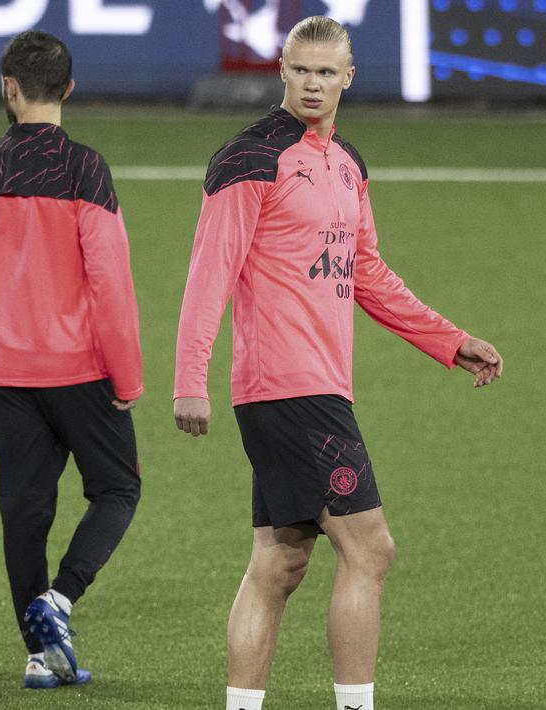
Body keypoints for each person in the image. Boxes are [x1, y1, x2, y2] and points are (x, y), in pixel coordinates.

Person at [172, 16, 504, 710]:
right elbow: (210, 272)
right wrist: (188, 379)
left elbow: (366, 271)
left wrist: (446, 339)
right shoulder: (248, 158)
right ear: (282, 73)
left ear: (347, 77)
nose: (313, 84)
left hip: (319, 384)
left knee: (280, 560)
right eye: (301, 71)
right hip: (284, 385)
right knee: (370, 549)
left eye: (326, 72)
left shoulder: (346, 162)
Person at [0, 30, 144, 690]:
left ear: (7, 88)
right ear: (69, 89)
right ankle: (56, 602)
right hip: (81, 368)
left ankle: (37, 653)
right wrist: (127, 372)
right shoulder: (86, 169)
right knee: (117, 488)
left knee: (24, 512)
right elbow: (110, 279)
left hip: (7, 372)